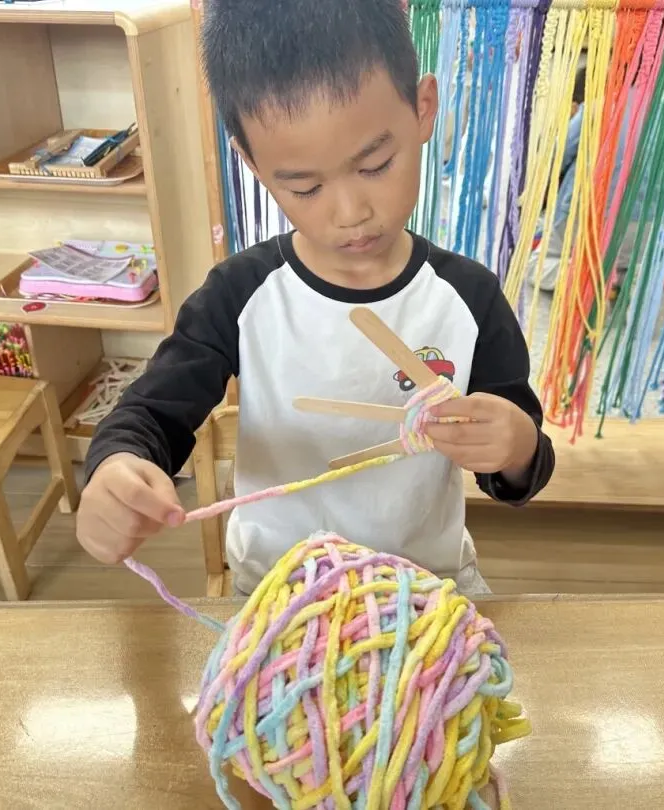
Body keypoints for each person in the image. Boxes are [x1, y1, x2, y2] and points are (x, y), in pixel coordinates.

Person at [76, 0, 555, 596]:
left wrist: (515, 446)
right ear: (251, 162)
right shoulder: (239, 296)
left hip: (425, 589)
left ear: (423, 109)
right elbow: (150, 416)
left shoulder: (468, 297)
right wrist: (116, 467)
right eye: (305, 187)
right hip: (281, 593)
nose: (350, 212)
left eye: (376, 165)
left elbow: (522, 467)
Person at [528, 67, 664, 293]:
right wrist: (657, 216)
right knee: (628, 266)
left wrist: (543, 199)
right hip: (640, 226)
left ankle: (586, 278)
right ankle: (618, 278)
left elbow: (555, 157)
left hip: (585, 218)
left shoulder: (597, 108)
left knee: (538, 265)